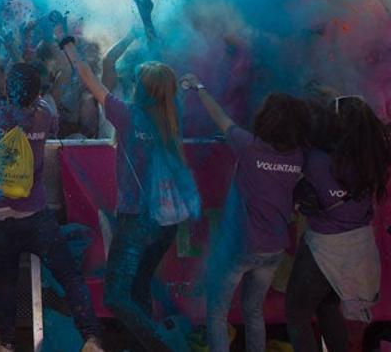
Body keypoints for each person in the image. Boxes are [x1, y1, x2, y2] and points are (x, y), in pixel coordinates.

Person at [62, 36, 194, 352]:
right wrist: (146, 19)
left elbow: (89, 78)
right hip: (166, 222)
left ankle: (158, 346)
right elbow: (163, 69)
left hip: (136, 220)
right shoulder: (172, 111)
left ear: (142, 88)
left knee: (116, 296)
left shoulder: (128, 115)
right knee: (138, 287)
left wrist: (66, 42)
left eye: (135, 79)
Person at [0, 32, 105, 352]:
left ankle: (5, 343)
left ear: (8, 87)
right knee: (69, 275)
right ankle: (91, 337)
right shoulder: (45, 112)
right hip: (33, 215)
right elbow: (32, 85)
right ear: (36, 93)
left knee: (5, 279)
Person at [184, 78, 307, 352]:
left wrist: (200, 87)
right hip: (275, 248)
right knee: (253, 312)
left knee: (216, 313)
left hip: (244, 247)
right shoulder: (299, 156)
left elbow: (220, 117)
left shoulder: (249, 146)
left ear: (265, 119)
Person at [286, 95, 391, 352]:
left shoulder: (317, 161)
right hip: (359, 247)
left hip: (325, 250)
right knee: (327, 306)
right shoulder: (373, 159)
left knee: (296, 315)